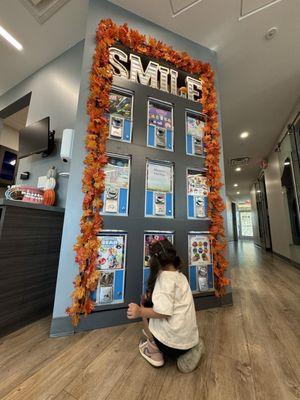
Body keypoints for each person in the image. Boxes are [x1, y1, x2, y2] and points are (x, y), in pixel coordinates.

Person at [127, 238, 205, 373]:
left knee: (145, 304)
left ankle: (153, 349)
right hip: (189, 339)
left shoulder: (163, 280)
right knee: (150, 303)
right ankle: (191, 350)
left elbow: (163, 313)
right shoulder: (181, 277)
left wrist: (140, 311)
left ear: (154, 262)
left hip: (170, 346)